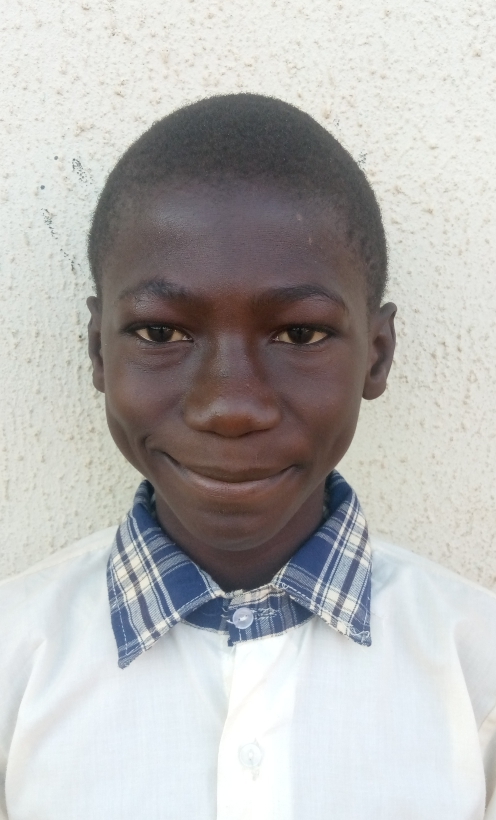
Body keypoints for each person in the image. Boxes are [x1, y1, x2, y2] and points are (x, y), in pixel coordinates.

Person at [0, 93, 495, 820]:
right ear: (98, 352)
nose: (230, 406)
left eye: (299, 335)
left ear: (377, 355)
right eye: (161, 333)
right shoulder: (14, 658)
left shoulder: (478, 670)